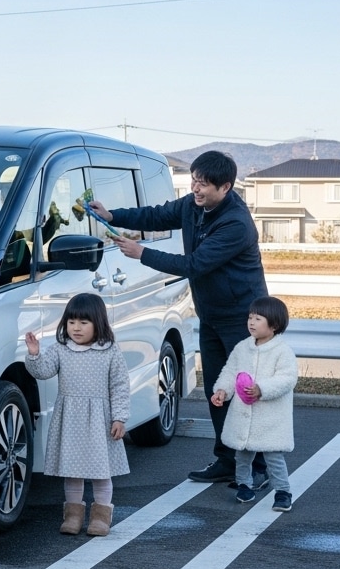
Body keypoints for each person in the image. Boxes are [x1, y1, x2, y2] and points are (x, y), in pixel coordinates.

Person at [87, 150, 268, 485]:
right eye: (194, 181)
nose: (196, 189)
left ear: (225, 187)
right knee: (218, 390)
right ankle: (227, 460)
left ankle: (259, 468)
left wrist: (141, 253)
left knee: (246, 394)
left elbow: (193, 265)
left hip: (244, 321)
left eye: (204, 184)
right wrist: (112, 215)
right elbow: (156, 216)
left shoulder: (235, 223)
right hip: (212, 316)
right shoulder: (193, 205)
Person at [24, 292, 131, 537]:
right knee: (72, 470)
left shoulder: (109, 351)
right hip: (70, 419)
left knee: (100, 471)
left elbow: (120, 386)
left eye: (84, 323)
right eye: (72, 322)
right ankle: (73, 516)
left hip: (100, 421)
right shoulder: (61, 349)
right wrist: (33, 354)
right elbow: (42, 371)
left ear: (98, 323)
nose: (76, 328)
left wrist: (119, 418)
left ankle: (100, 517)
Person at [211, 296, 297, 512]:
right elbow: (231, 372)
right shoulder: (242, 348)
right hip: (243, 414)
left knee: (274, 456)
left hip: (270, 417)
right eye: (250, 317)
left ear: (274, 325)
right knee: (242, 453)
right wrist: (222, 390)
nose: (251, 322)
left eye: (258, 318)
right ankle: (244, 485)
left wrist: (262, 389)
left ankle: (283, 492)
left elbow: (287, 379)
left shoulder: (282, 351)